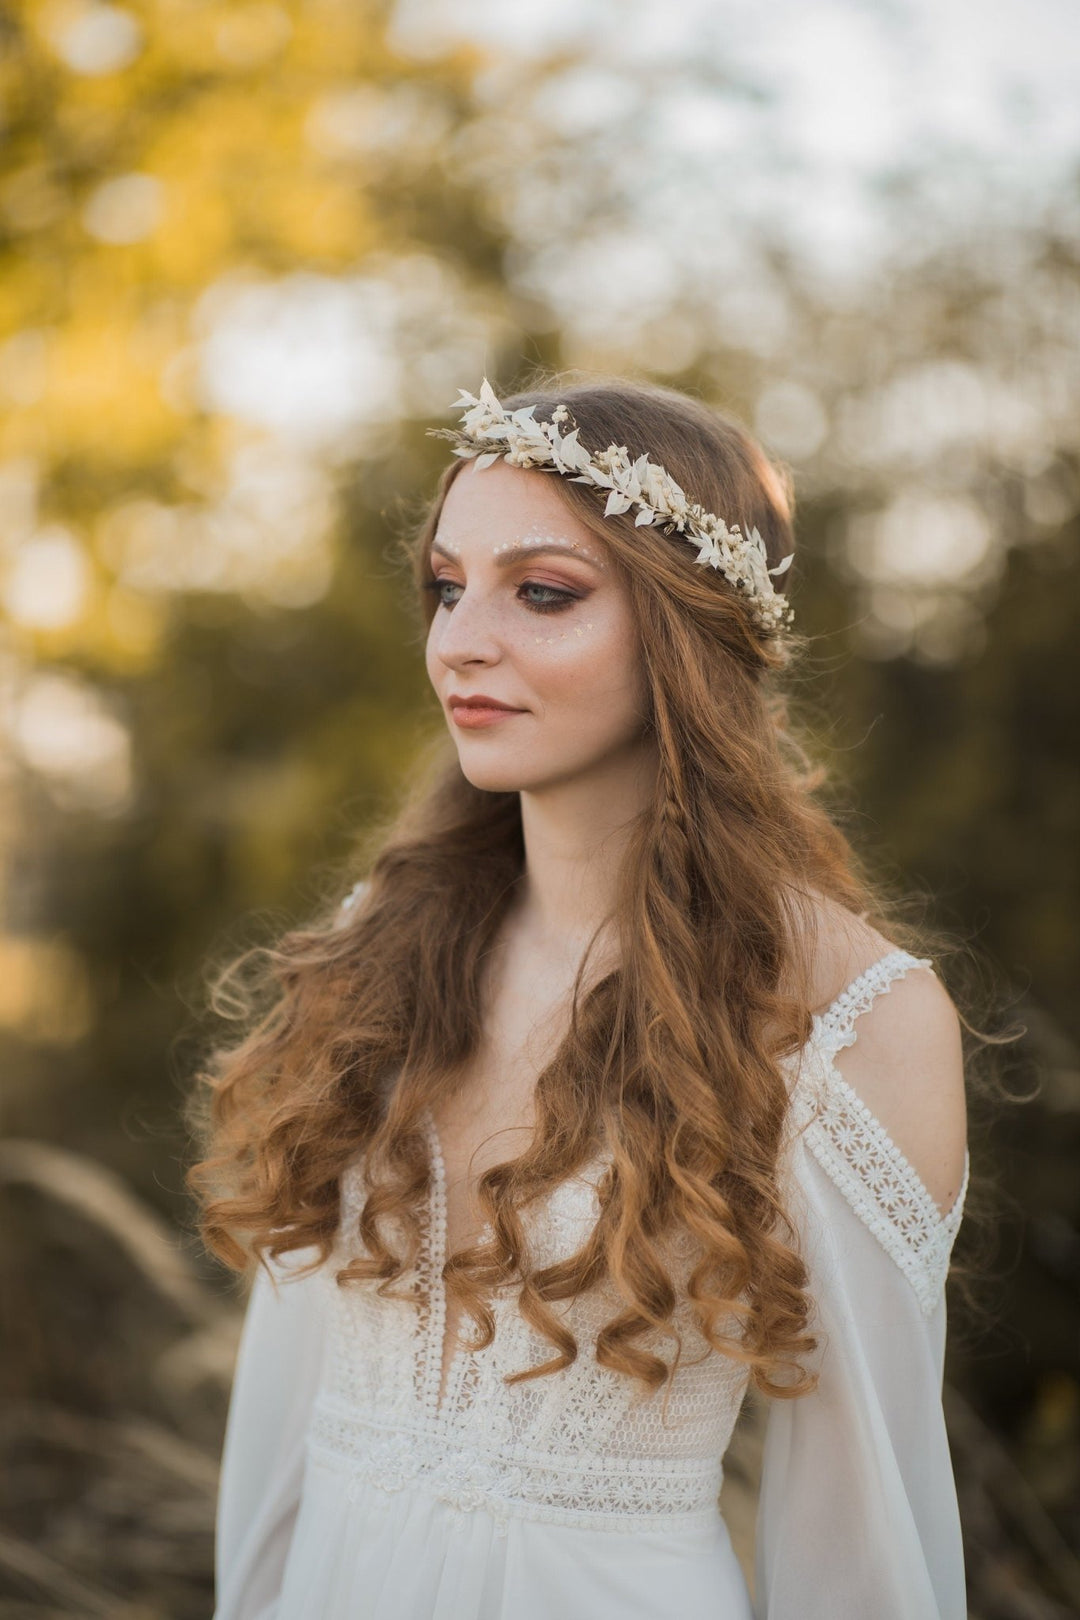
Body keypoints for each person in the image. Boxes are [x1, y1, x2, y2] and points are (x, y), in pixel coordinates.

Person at [187, 373, 971, 1620]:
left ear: (687, 632)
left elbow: (859, 1530)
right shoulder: (377, 942)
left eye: (542, 593)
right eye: (448, 586)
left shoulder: (853, 1015)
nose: (459, 641)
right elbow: (283, 1417)